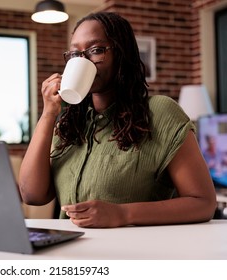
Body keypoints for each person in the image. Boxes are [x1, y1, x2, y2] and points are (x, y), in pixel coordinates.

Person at [18, 12, 216, 228]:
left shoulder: (160, 113)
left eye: (95, 50)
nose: (83, 61)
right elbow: (32, 195)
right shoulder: (70, 124)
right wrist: (48, 114)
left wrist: (123, 214)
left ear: (121, 54)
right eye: (75, 54)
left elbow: (203, 203)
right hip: (72, 254)